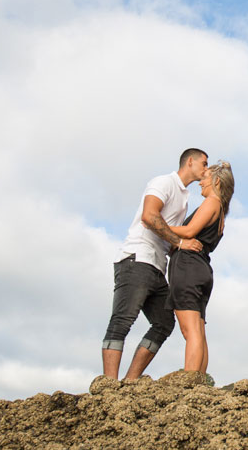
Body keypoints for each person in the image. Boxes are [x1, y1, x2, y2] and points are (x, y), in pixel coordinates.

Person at [100, 148, 208, 379]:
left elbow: (166, 233)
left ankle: (130, 381)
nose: (206, 170)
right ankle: (108, 386)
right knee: (123, 320)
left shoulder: (184, 199)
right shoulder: (164, 182)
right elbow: (149, 217)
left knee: (164, 323)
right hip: (137, 259)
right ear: (190, 161)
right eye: (204, 164)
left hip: (158, 267)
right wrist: (181, 242)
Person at [165, 160, 234, 374]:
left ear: (217, 182)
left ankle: (188, 382)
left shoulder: (212, 202)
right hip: (200, 268)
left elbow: (189, 231)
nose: (200, 183)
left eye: (204, 179)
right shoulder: (221, 210)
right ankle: (198, 382)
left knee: (190, 331)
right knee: (198, 331)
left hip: (188, 268)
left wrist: (155, 223)